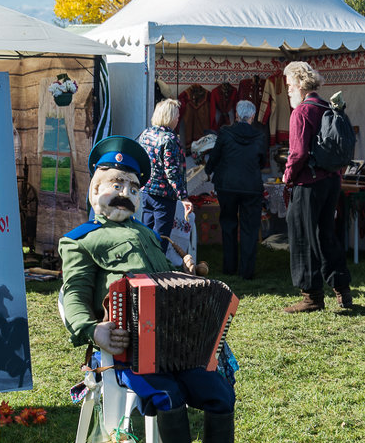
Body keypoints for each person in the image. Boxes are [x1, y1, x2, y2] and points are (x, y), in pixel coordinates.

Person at [58, 136, 255, 443]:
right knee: (167, 394)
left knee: (217, 391)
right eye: (116, 185)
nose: (124, 194)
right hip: (127, 349)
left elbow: (161, 282)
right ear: (95, 189)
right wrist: (93, 331)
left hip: (175, 342)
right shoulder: (80, 241)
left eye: (132, 188)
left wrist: (184, 275)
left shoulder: (148, 234)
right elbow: (75, 297)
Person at [281, 62, 353, 312]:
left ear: (300, 84)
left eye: (290, 86)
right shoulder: (327, 107)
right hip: (331, 181)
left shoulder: (301, 112)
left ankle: (311, 297)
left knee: (303, 237)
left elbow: (298, 153)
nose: (288, 91)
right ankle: (342, 291)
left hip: (308, 183)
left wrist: (287, 176)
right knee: (326, 236)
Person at [206, 100, 268, 280]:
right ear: (253, 117)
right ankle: (247, 271)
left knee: (228, 224)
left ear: (237, 115)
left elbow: (215, 155)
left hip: (227, 185)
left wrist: (208, 170)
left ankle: (229, 267)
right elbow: (262, 161)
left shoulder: (225, 132)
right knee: (250, 228)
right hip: (251, 186)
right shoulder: (259, 136)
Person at [137, 99, 194, 243]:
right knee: (160, 240)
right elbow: (172, 172)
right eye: (176, 116)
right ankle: (158, 266)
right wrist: (184, 197)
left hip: (146, 191)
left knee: (146, 237)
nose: (178, 119)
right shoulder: (170, 139)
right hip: (164, 196)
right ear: (169, 117)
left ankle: (145, 264)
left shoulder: (146, 134)